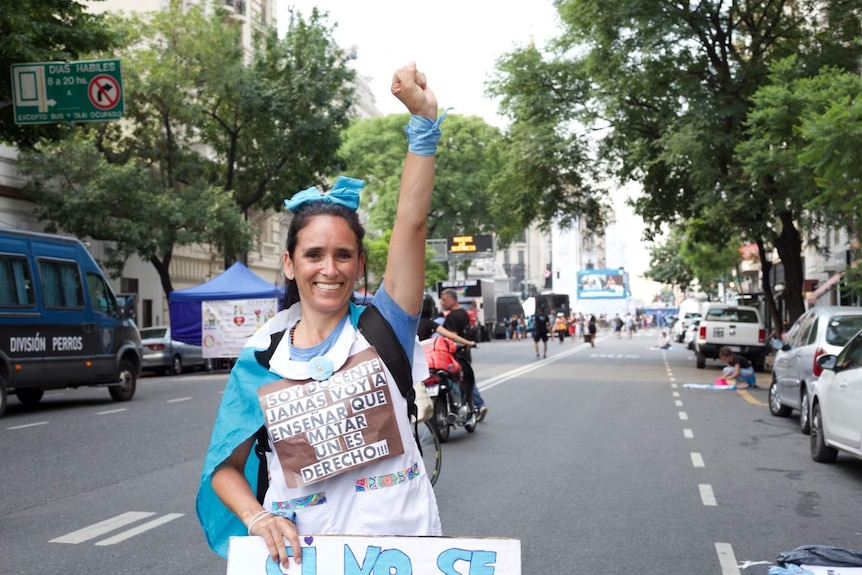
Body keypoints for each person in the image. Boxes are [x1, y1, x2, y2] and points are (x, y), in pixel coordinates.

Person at [196, 62, 444, 568]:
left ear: (359, 265)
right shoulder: (262, 357)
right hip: (300, 560)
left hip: (398, 552)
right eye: (313, 255)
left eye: (343, 255)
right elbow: (225, 469)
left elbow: (412, 223)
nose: (329, 269)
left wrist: (423, 126)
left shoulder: (384, 327)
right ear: (289, 264)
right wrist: (258, 519)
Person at [439, 288, 487, 422]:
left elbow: (452, 336)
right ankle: (477, 405)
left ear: (453, 300)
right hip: (466, 352)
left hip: (456, 354)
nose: (442, 303)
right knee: (468, 379)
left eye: (444, 300)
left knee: (459, 381)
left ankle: (471, 406)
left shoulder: (452, 316)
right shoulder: (464, 313)